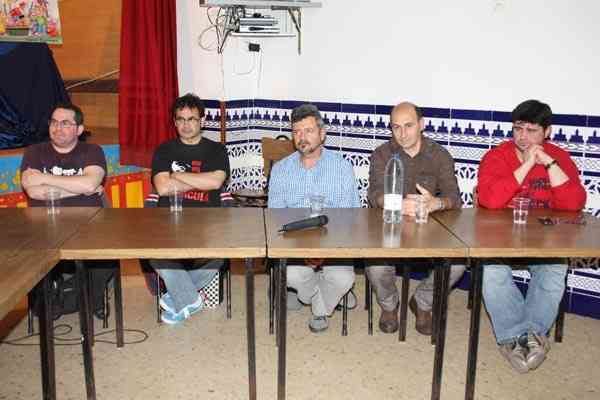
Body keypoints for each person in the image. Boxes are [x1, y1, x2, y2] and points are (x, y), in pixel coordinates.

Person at [478, 99, 586, 373]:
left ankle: (522, 338)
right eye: (518, 129)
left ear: (547, 132)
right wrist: (526, 165)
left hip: (545, 240)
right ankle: (524, 337)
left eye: (531, 130)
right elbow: (490, 200)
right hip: (502, 238)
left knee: (555, 268)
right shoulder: (497, 157)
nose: (523, 137)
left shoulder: (559, 158)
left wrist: (548, 162)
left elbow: (574, 204)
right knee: (492, 271)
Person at [367, 102, 465, 335]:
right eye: (396, 127)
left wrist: (435, 203)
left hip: (428, 227)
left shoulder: (439, 155)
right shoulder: (382, 154)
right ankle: (389, 305)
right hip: (390, 226)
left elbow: (454, 198)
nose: (402, 134)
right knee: (375, 264)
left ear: (421, 124)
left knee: (458, 264)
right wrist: (397, 204)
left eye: (408, 126)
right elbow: (374, 194)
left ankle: (423, 302)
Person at [268, 104, 360, 333]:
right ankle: (329, 298)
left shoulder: (342, 167)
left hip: (334, 243)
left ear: (322, 133)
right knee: (291, 274)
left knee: (344, 279)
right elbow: (275, 219)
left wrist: (324, 251)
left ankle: (319, 307)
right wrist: (303, 250)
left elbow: (351, 218)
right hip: (295, 245)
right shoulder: (280, 170)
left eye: (308, 131)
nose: (302, 137)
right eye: (297, 132)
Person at [20, 102, 112, 318]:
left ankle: (66, 296)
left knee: (107, 259)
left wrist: (44, 178)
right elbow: (32, 190)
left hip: (88, 225)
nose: (57, 128)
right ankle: (80, 297)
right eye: (53, 122)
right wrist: (81, 187)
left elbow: (89, 184)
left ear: (79, 130)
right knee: (29, 259)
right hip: (43, 226)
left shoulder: (92, 151)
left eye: (65, 123)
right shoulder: (34, 152)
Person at [150, 93, 230, 324]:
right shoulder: (164, 150)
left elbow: (215, 182)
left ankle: (179, 297)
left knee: (220, 255)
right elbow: (162, 187)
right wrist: (199, 180)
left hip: (208, 223)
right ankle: (191, 299)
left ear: (202, 121)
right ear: (174, 122)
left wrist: (176, 175)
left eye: (192, 119)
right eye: (181, 119)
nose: (186, 125)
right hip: (170, 222)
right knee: (154, 254)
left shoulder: (216, 150)